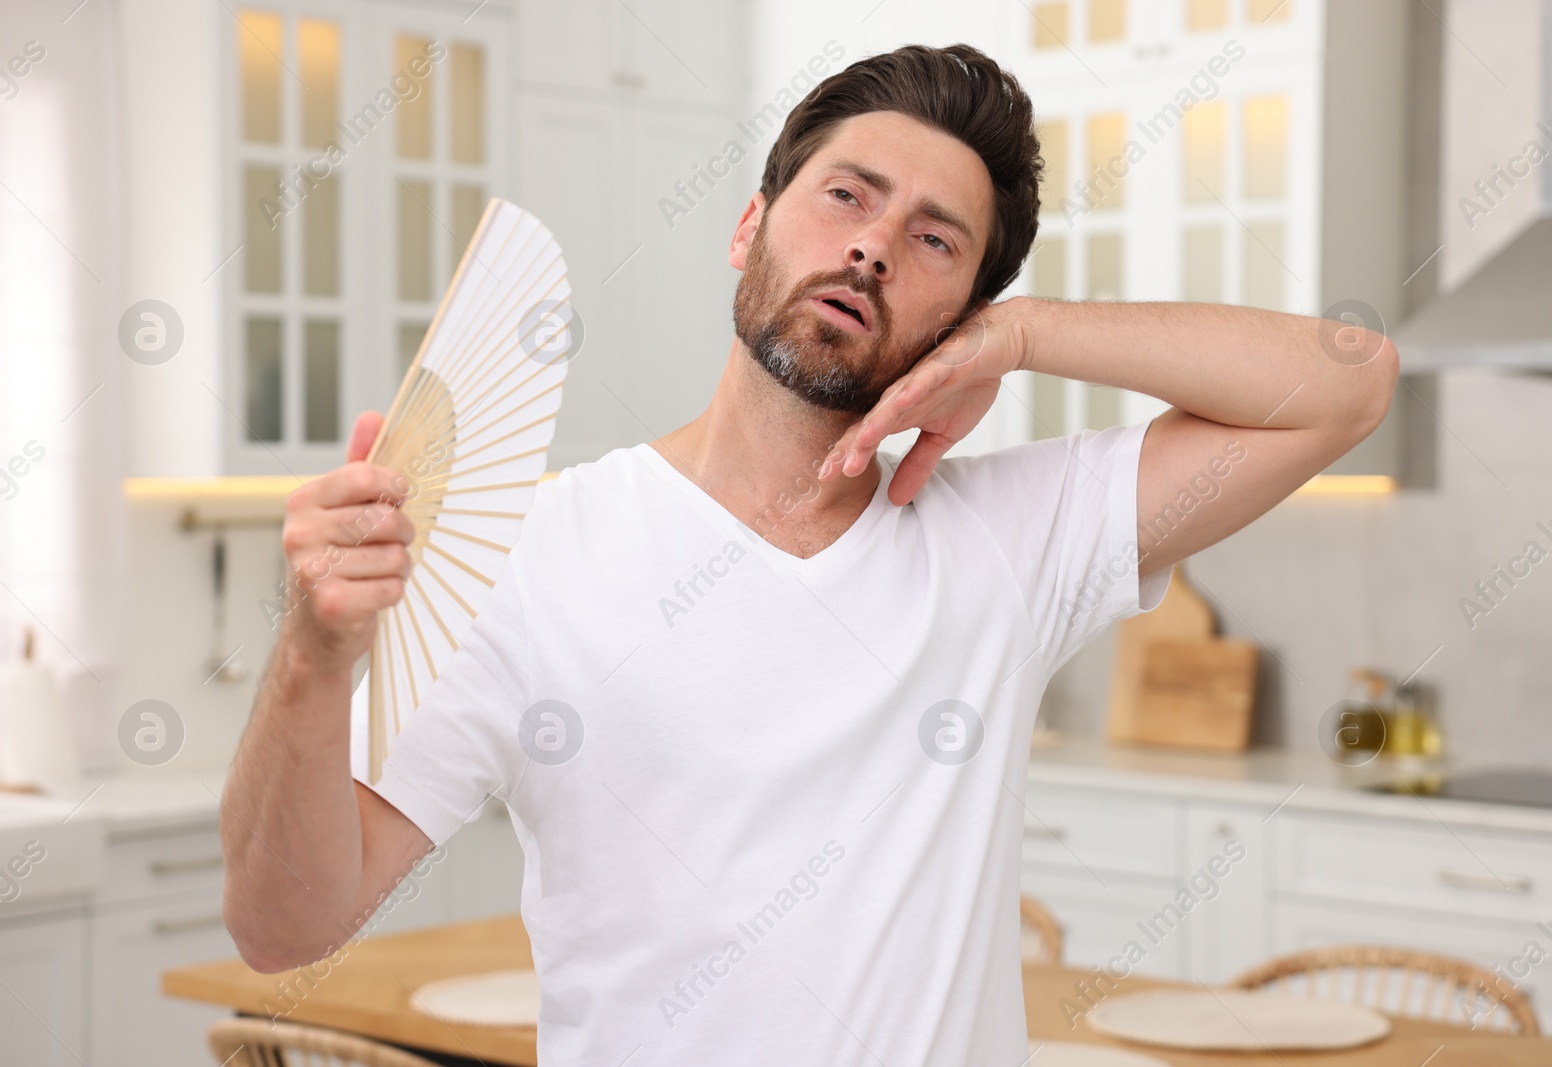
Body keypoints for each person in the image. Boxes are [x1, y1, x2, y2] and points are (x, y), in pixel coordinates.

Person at [220, 43, 1397, 1064]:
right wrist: (313, 657)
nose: (874, 246)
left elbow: (1347, 383)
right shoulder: (534, 552)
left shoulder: (1008, 539)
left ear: (964, 318)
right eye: (846, 195)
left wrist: (1031, 334)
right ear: (749, 224)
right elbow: (284, 924)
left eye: (935, 240)